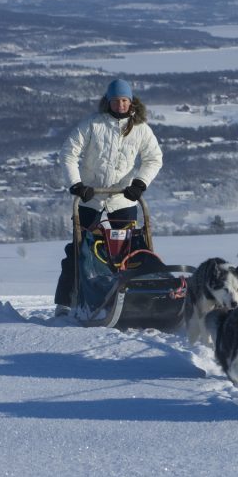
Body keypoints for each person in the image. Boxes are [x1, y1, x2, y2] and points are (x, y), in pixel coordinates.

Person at [54, 78, 163, 314]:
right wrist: (77, 185)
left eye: (124, 100)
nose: (120, 105)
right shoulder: (92, 125)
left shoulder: (141, 129)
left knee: (128, 251)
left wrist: (140, 183)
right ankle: (66, 301)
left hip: (123, 198)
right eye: (116, 101)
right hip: (90, 197)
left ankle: (136, 298)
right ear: (108, 102)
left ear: (131, 101)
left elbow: (154, 158)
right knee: (80, 249)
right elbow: (68, 154)